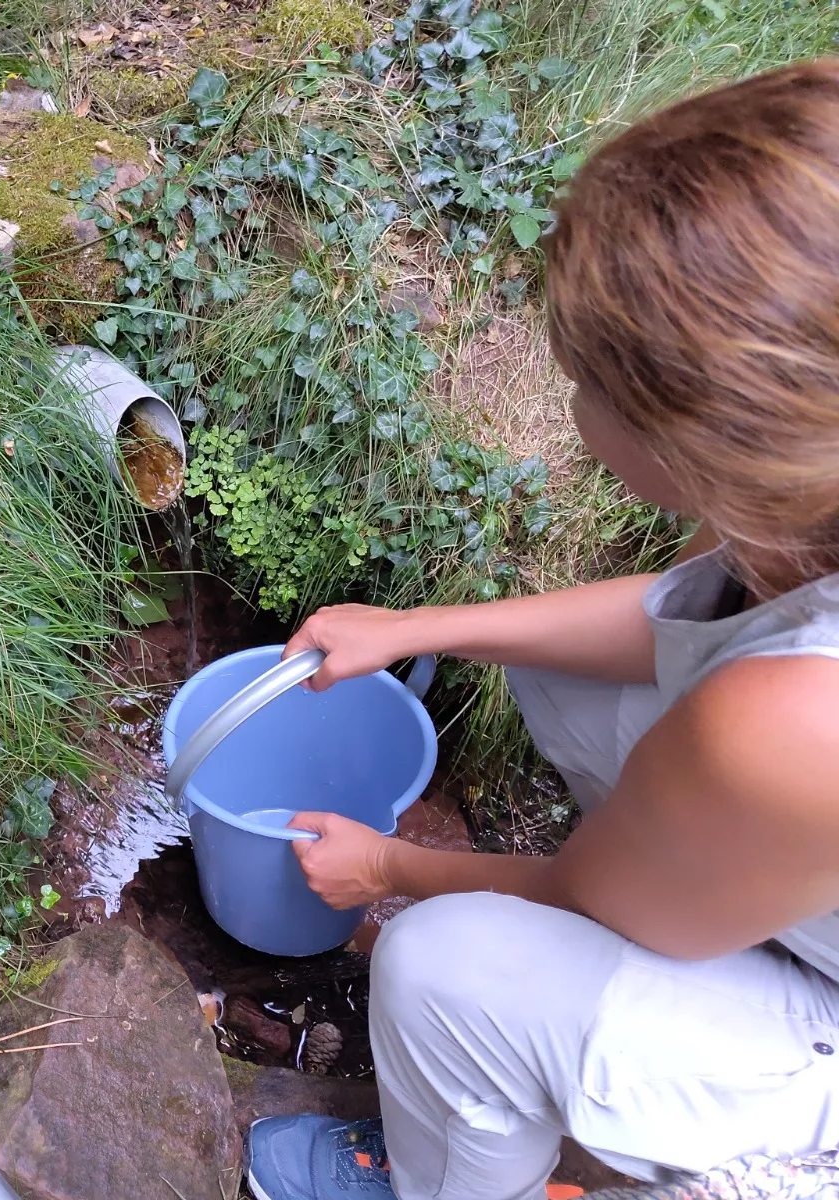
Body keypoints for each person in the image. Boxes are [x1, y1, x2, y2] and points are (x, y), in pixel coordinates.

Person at [244, 60, 839, 1200]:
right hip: (770, 836)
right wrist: (419, 626)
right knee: (553, 678)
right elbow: (673, 622)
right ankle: (690, 896)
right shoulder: (800, 506)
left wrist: (389, 869)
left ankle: (470, 1174)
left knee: (439, 965)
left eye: (585, 382)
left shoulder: (791, 720)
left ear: (704, 448)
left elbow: (583, 896)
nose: (569, 405)